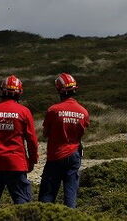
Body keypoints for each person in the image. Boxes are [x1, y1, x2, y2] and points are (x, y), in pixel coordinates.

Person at [0, 75, 39, 212]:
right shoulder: (24, 112)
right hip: (16, 163)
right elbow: (32, 141)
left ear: (2, 91)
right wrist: (32, 160)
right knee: (22, 202)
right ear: (20, 92)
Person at [38, 73, 90, 208]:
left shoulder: (53, 110)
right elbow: (83, 131)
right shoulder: (83, 111)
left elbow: (45, 133)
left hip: (55, 155)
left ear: (58, 89)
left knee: (47, 194)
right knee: (71, 191)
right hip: (74, 154)